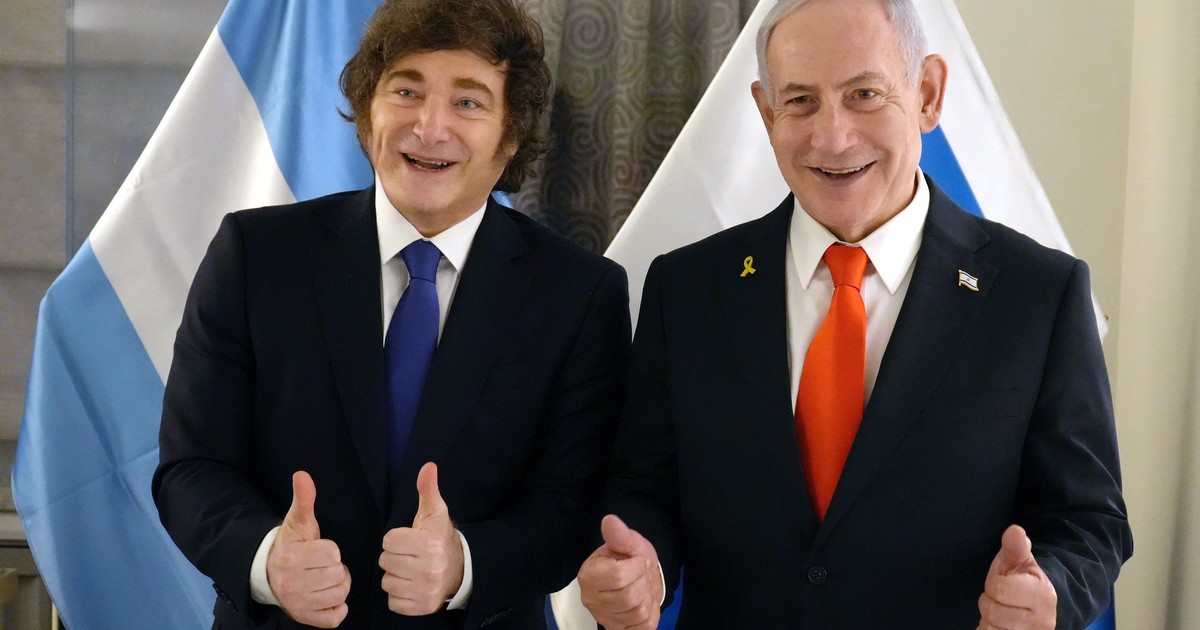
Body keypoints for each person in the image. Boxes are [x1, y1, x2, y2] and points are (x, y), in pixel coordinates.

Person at [576, 0, 1132, 628]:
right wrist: (640, 566)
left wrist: (1050, 591)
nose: (833, 138)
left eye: (864, 94)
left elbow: (1088, 520)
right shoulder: (687, 289)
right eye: (801, 101)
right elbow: (644, 488)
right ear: (766, 112)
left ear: (927, 94)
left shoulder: (1038, 295)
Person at [152, 0, 630, 628]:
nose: (429, 128)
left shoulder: (580, 292)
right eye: (406, 91)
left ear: (510, 135)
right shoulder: (256, 255)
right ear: (367, 112)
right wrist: (267, 560)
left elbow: (574, 502)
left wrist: (463, 566)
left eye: (468, 102)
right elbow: (191, 466)